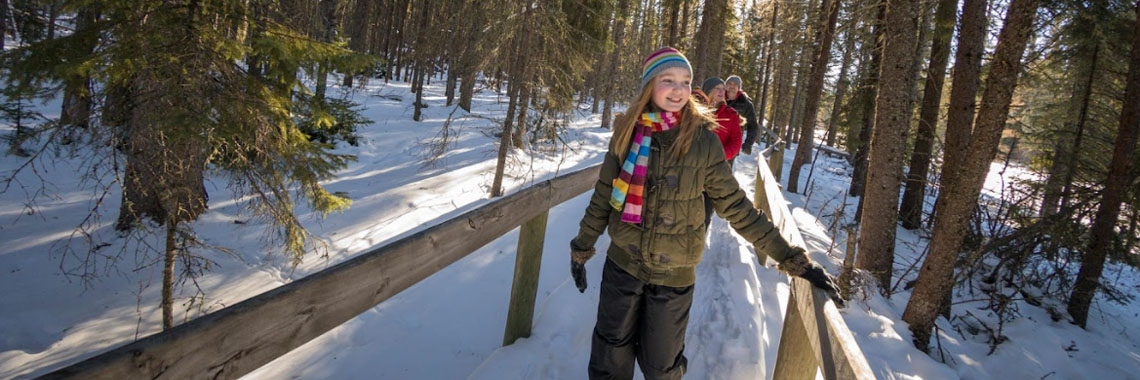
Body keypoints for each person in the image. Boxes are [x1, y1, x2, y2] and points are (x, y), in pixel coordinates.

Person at [569, 47, 840, 380]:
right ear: (650, 85)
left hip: (674, 276)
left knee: (662, 366)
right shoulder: (627, 132)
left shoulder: (703, 141)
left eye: (685, 81)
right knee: (609, 355)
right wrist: (582, 248)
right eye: (668, 80)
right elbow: (603, 197)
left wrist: (791, 257)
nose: (678, 89)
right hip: (623, 265)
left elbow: (736, 206)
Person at [724, 75, 760, 155]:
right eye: (730, 83)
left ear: (739, 87)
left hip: (733, 143)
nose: (732, 86)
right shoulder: (719, 98)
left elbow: (753, 125)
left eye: (735, 84)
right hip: (716, 141)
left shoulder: (746, 104)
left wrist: (748, 143)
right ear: (725, 86)